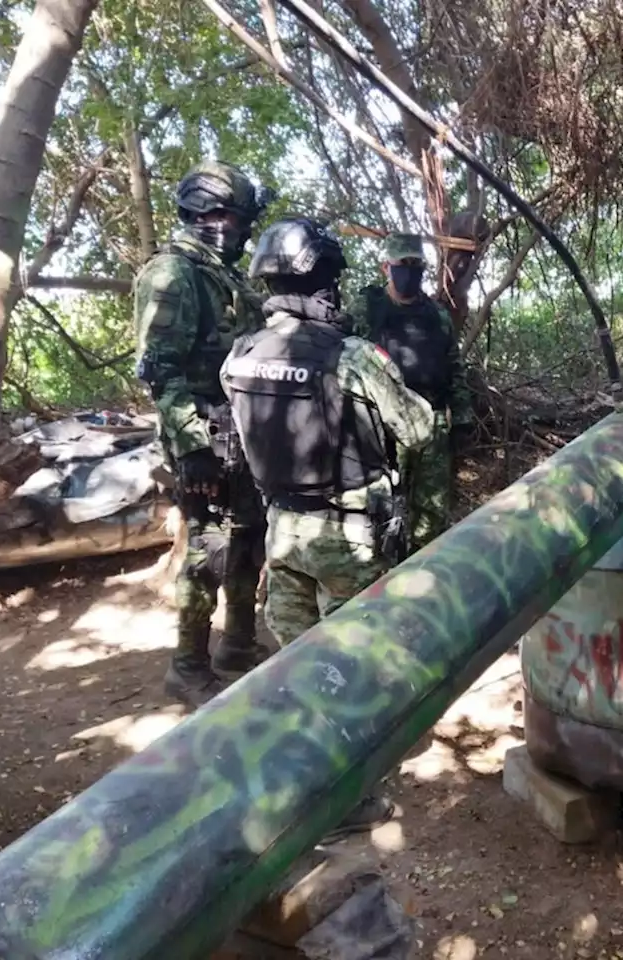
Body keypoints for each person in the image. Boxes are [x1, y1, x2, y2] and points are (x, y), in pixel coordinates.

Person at [222, 217, 434, 831]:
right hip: (347, 534)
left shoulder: (242, 354)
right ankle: (350, 799)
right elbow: (417, 429)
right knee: (353, 670)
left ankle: (299, 781)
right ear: (323, 282)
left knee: (296, 666)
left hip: (281, 531)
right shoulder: (351, 356)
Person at [133, 160, 274, 708]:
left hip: (240, 435)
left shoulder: (222, 273)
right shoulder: (173, 273)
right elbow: (159, 370)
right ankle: (187, 665)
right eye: (231, 216)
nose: (236, 228)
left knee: (248, 543)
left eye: (238, 218)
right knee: (207, 552)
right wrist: (192, 446)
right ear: (204, 213)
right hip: (204, 438)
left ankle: (237, 644)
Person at [347, 233, 472, 551]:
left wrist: (461, 417)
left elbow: (454, 366)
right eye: (403, 264)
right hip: (381, 427)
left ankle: (424, 570)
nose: (410, 271)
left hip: (431, 423)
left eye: (417, 265)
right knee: (379, 508)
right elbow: (344, 361)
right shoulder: (366, 311)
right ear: (385, 267)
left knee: (431, 514)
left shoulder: (436, 315)